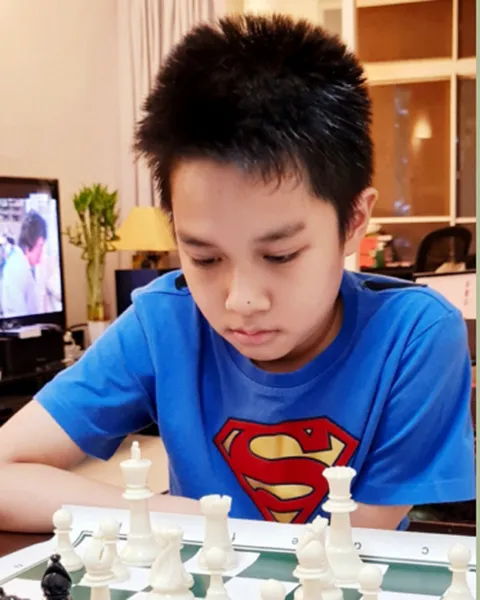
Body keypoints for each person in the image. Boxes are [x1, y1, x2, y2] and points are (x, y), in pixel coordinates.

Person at [0, 13, 474, 534]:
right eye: (204, 258)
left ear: (354, 221)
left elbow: (351, 548)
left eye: (281, 255)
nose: (241, 301)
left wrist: (197, 524)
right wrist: (176, 514)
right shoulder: (164, 323)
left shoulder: (413, 335)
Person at [1, 209, 47, 318]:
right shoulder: (16, 269)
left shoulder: (19, 263)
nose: (42, 255)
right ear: (39, 241)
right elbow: (20, 318)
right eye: (42, 246)